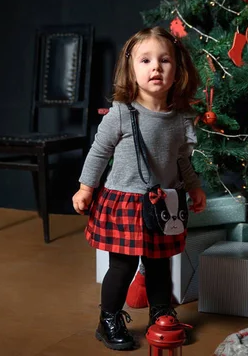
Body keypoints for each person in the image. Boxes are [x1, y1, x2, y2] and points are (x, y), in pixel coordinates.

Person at [72, 26, 207, 351]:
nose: (155, 68)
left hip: (162, 204)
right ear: (131, 70)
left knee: (159, 263)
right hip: (124, 202)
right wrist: (85, 187)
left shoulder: (178, 119)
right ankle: (109, 319)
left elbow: (181, 160)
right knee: (122, 265)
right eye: (145, 60)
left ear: (178, 69)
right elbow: (99, 152)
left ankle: (161, 313)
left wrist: (194, 187)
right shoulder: (121, 113)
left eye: (164, 60)